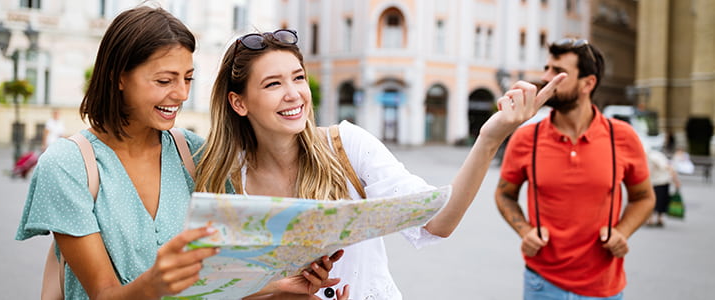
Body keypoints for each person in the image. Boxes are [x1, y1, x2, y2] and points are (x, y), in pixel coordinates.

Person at [193, 28, 566, 299]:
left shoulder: (347, 145)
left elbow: (437, 222)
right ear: (239, 103)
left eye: (299, 78)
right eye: (272, 84)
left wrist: (489, 137)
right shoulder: (226, 179)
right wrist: (279, 290)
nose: (294, 94)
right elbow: (217, 288)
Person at [15, 6, 339, 300]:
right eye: (164, 80)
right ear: (118, 78)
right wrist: (156, 282)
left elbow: (220, 281)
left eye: (187, 79)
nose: (181, 94)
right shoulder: (67, 165)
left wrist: (281, 288)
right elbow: (103, 293)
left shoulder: (193, 153)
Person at [495, 38, 655, 299]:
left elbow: (644, 197)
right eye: (546, 68)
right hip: (541, 284)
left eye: (557, 71)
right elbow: (504, 194)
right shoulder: (527, 138)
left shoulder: (622, 137)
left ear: (588, 83)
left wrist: (622, 232)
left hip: (604, 287)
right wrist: (524, 231)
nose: (546, 77)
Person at [646, 147, 681, 227]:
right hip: (661, 181)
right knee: (661, 201)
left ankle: (653, 219)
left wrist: (675, 180)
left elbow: (667, 167)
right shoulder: (655, 155)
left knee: (654, 201)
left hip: (658, 182)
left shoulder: (654, 157)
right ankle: (658, 219)